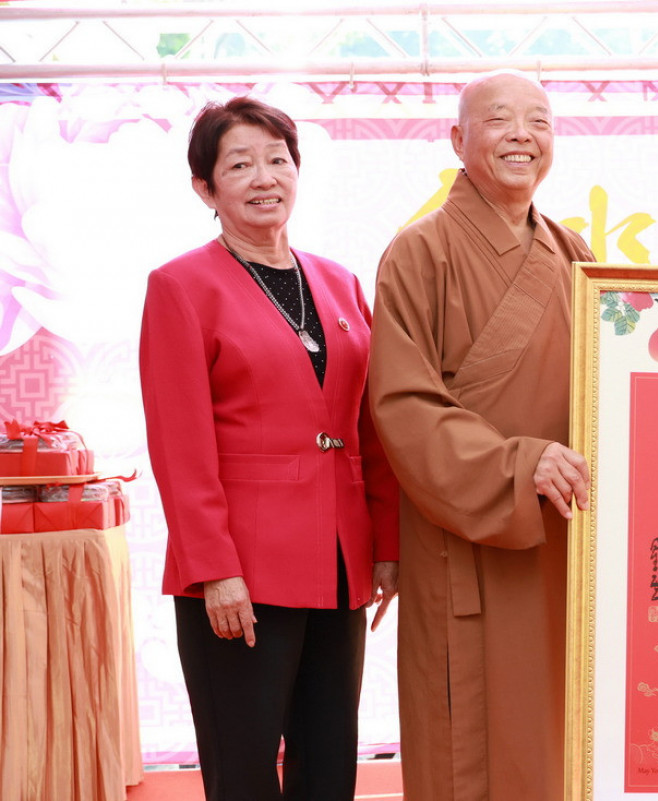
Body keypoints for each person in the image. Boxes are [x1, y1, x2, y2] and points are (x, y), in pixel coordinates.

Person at [139, 96, 399, 801]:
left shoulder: (340, 281)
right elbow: (179, 443)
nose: (264, 177)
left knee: (328, 766)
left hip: (341, 564)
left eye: (278, 159)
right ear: (206, 187)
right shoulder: (180, 287)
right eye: (240, 164)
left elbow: (369, 423)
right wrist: (214, 568)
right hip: (240, 574)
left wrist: (386, 540)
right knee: (245, 771)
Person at [368, 71, 594, 801]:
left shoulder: (575, 253)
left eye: (540, 121)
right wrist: (516, 465)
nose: (523, 135)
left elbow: (633, 373)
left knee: (553, 738)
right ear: (458, 139)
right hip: (466, 531)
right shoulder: (419, 252)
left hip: (561, 538)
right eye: (500, 119)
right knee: (470, 748)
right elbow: (404, 407)